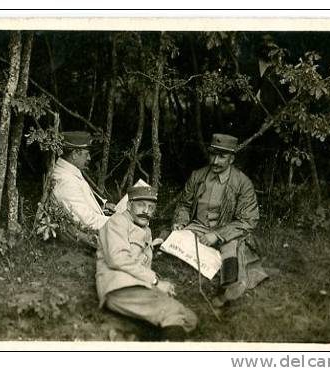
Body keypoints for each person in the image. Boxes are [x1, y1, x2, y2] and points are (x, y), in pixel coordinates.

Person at [172, 133, 268, 307]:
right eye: (213, 155)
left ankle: (228, 293)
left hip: (227, 231)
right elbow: (184, 205)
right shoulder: (198, 176)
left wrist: (217, 235)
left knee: (231, 253)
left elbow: (248, 220)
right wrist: (181, 221)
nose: (215, 161)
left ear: (231, 159)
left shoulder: (242, 183)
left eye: (221, 157)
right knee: (173, 242)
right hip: (198, 227)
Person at [96, 186, 198, 340]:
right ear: (129, 205)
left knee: (190, 320)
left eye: (151, 207)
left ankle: (131, 339)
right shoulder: (117, 222)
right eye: (141, 205)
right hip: (120, 287)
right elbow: (117, 258)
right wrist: (155, 281)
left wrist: (156, 286)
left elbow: (140, 265)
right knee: (172, 312)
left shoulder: (145, 230)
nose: (146, 211)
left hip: (138, 286)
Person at [51, 131, 115, 233]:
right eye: (87, 154)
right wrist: (121, 223)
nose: (89, 158)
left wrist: (103, 205)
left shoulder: (69, 171)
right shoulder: (66, 181)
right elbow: (87, 221)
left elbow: (82, 198)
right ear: (75, 154)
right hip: (87, 236)